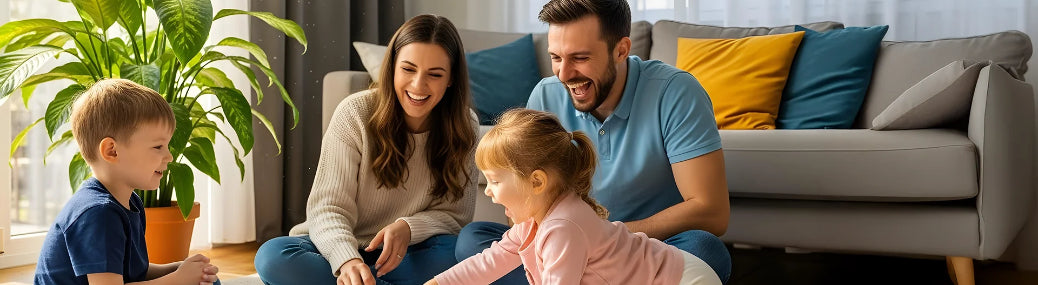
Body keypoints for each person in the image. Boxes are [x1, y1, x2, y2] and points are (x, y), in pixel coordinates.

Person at [456, 0, 732, 283]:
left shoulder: (676, 92)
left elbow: (711, 212)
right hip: (562, 246)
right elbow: (526, 201)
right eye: (556, 57)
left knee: (703, 250)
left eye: (580, 58)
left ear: (621, 50)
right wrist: (561, 241)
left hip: (645, 254)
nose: (563, 74)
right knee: (471, 240)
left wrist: (603, 238)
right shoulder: (545, 96)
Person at [254, 14, 479, 285]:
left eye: (435, 74)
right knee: (273, 256)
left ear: (452, 78)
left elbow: (455, 216)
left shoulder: (466, 125)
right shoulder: (355, 113)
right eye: (408, 69)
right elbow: (328, 209)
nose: (418, 85)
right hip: (339, 248)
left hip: (405, 254)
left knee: (465, 252)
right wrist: (347, 260)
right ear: (392, 67)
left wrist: (407, 228)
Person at [428, 109, 721, 285]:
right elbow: (487, 263)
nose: (488, 190)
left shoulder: (562, 227)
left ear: (537, 182)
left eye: (493, 180)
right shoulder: (534, 222)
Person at [34, 78, 220, 285]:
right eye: (158, 147)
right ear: (112, 151)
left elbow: (131, 271)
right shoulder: (98, 213)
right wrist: (178, 280)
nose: (169, 156)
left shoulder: (129, 202)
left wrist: (177, 269)